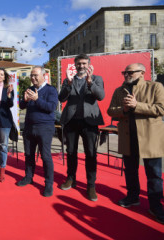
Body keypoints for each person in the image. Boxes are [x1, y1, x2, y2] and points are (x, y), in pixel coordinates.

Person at [108, 63, 164, 224]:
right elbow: (111, 110)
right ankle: (133, 197)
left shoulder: (155, 87)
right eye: (124, 72)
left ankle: (155, 205)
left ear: (142, 73)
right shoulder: (119, 90)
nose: (126, 75)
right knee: (130, 170)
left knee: (154, 174)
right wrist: (124, 110)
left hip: (150, 137)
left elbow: (161, 108)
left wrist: (136, 106)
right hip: (128, 136)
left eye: (130, 72)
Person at [58, 54, 105, 201]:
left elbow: (101, 96)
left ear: (89, 64)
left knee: (91, 153)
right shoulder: (68, 80)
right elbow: (61, 98)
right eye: (78, 64)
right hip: (71, 121)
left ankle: (91, 185)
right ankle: (71, 178)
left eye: (84, 63)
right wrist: (69, 84)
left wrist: (90, 82)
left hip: (90, 121)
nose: (81, 66)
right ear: (75, 65)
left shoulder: (97, 79)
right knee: (71, 151)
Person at [16, 66, 58, 197]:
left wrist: (37, 99)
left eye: (35, 75)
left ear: (43, 76)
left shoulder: (51, 90)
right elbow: (22, 106)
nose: (33, 78)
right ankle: (29, 177)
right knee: (28, 154)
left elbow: (51, 107)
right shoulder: (30, 89)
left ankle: (48, 184)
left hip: (45, 127)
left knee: (45, 156)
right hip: (29, 127)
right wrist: (25, 100)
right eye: (31, 75)